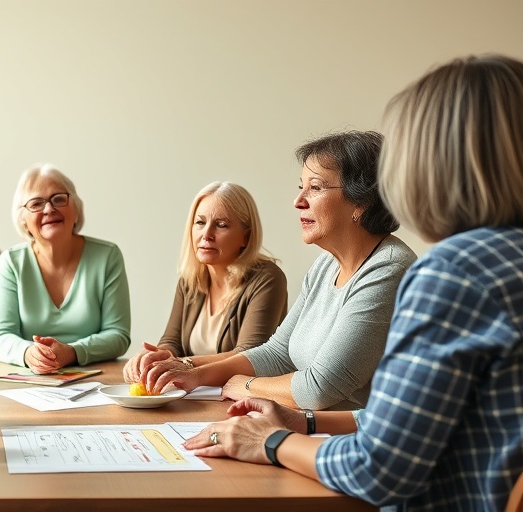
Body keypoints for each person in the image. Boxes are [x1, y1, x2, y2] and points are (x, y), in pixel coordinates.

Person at [184, 54, 523, 511]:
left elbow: (379, 470)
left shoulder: (454, 272)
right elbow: (408, 422)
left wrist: (269, 440)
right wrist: (302, 425)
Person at [137, 131, 416, 410]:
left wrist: (245, 386)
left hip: (355, 441)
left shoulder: (388, 269)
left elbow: (319, 389)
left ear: (361, 202)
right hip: (310, 426)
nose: (298, 201)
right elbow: (278, 353)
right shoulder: (325, 266)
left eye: (316, 188)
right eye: (301, 187)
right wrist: (194, 375)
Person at [123, 181, 287, 383]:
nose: (206, 235)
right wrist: (152, 358)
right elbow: (171, 342)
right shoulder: (190, 279)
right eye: (200, 223)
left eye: (221, 225)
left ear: (246, 236)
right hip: (194, 395)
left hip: (243, 397)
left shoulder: (268, 278)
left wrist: (183, 365)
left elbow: (249, 355)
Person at [0, 163, 130, 373]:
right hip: (30, 380)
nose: (49, 209)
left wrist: (71, 352)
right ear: (24, 221)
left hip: (96, 378)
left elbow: (118, 334)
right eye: (36, 203)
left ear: (76, 211)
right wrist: (29, 353)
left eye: (59, 199)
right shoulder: (11, 262)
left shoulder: (107, 256)